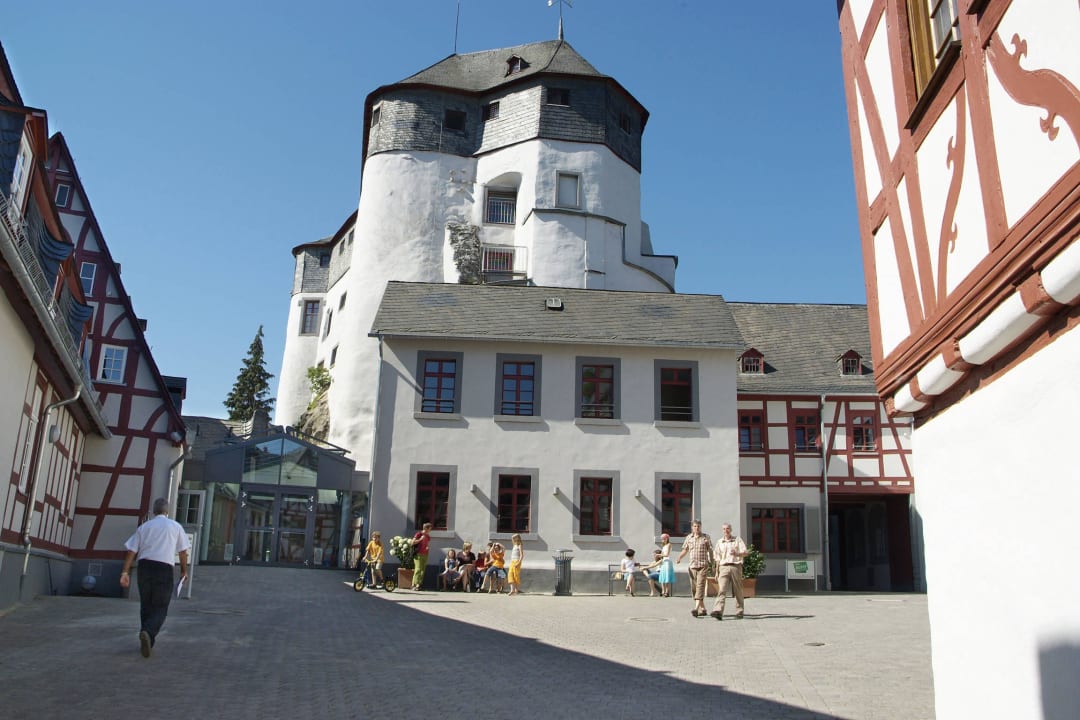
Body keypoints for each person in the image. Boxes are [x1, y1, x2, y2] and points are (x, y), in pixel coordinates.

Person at [118, 498, 191, 658]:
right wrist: (184, 572)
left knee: (146, 604)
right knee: (161, 606)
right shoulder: (175, 526)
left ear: (153, 511)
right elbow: (183, 551)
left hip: (144, 567)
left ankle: (147, 640)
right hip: (164, 568)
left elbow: (131, 551)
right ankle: (148, 632)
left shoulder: (144, 527)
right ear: (167, 511)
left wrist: (125, 572)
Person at [675, 519, 713, 617]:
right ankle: (703, 608)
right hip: (692, 566)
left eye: (698, 526)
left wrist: (712, 563)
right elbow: (685, 550)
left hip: (703, 565)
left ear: (701, 527)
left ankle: (696, 609)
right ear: (692, 527)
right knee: (694, 588)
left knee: (700, 586)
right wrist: (679, 557)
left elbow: (710, 551)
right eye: (695, 526)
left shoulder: (705, 537)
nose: (697, 528)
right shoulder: (689, 538)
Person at [711, 523, 748, 620]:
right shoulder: (720, 542)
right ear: (722, 530)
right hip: (723, 567)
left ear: (730, 530)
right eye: (724, 529)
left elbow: (745, 552)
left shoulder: (737, 540)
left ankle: (739, 611)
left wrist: (737, 553)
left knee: (737, 590)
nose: (726, 530)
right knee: (722, 589)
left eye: (727, 528)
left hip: (735, 566)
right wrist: (716, 572)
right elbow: (717, 558)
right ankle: (718, 610)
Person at [410, 522, 433, 590]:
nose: (430, 530)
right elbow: (412, 542)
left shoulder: (428, 536)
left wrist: (427, 547)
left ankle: (418, 585)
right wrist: (420, 539)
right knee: (418, 569)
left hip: (425, 554)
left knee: (422, 570)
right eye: (429, 529)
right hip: (418, 554)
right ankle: (413, 584)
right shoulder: (419, 534)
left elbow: (426, 544)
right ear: (426, 528)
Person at [658, 533, 675, 597]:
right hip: (663, 562)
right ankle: (663, 591)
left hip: (667, 562)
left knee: (667, 577)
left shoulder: (669, 545)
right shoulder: (664, 546)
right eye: (662, 539)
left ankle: (667, 591)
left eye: (663, 539)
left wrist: (659, 555)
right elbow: (662, 554)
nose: (662, 540)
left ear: (667, 539)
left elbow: (667, 554)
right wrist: (659, 556)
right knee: (662, 576)